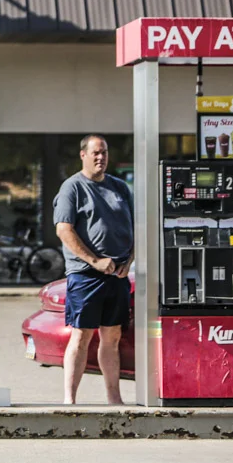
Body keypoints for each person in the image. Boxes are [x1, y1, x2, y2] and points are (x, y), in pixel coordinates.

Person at [53, 134, 134, 405]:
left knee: (112, 336)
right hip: (85, 275)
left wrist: (129, 261)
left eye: (104, 152)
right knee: (82, 334)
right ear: (83, 155)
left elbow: (137, 227)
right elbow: (64, 230)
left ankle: (114, 399)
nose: (101, 157)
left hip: (117, 275)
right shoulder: (72, 187)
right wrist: (94, 260)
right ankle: (70, 400)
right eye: (95, 153)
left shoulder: (120, 188)